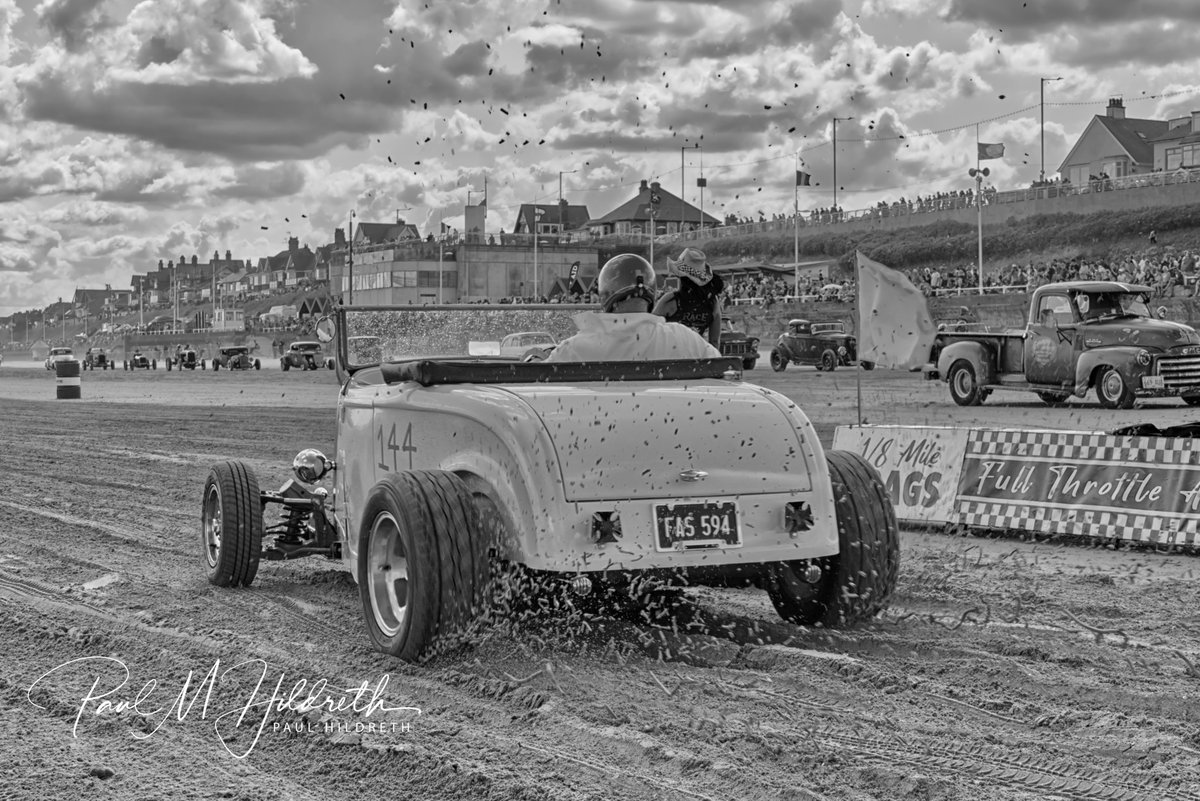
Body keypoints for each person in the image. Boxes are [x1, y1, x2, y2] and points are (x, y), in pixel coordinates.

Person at [546, 254, 720, 362]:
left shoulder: (575, 348)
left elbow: (539, 381)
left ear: (605, 295)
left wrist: (535, 357)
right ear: (652, 293)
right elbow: (721, 365)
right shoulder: (685, 339)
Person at [652, 247, 724, 348]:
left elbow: (651, 331)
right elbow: (714, 341)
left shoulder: (671, 300)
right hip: (696, 354)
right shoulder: (712, 302)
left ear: (681, 277)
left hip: (670, 354)